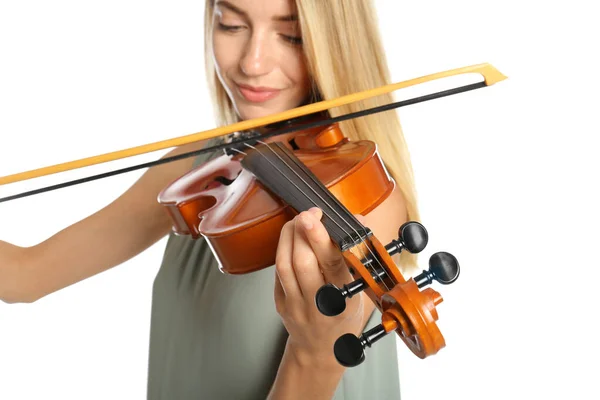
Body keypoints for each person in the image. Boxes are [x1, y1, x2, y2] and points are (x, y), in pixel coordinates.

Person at [0, 0, 421, 398]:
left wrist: (314, 357)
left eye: (291, 37)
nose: (252, 63)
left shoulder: (362, 202)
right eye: (231, 25)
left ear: (337, 44)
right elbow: (25, 276)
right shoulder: (206, 170)